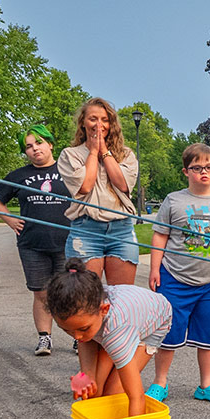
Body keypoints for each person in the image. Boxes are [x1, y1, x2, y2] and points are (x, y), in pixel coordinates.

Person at [146, 142, 210, 404]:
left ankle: (206, 385)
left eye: (209, 167)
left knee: (208, 337)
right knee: (168, 334)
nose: (204, 172)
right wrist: (155, 269)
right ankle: (160, 383)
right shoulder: (174, 201)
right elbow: (159, 236)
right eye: (196, 167)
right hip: (175, 279)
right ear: (185, 171)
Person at [48, 258, 173, 417]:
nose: (77, 336)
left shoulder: (116, 332)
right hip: (118, 319)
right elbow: (84, 340)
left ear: (104, 309)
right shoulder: (85, 305)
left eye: (83, 328)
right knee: (94, 392)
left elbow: (136, 397)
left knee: (113, 394)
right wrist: (86, 375)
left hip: (154, 322)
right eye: (68, 331)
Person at [0, 126, 71, 355]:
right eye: (28, 146)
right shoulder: (19, 175)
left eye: (39, 142)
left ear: (51, 144)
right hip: (32, 244)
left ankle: (78, 337)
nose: (35, 149)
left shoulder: (69, 170)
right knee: (41, 292)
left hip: (67, 242)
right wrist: (10, 220)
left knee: (71, 292)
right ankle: (45, 338)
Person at [56, 98, 142, 287]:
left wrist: (104, 151)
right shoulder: (70, 154)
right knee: (86, 298)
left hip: (121, 230)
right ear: (83, 123)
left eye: (104, 119)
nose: (99, 124)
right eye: (93, 119)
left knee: (122, 297)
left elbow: (122, 185)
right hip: (86, 230)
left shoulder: (126, 154)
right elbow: (85, 186)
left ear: (111, 124)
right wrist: (93, 152)